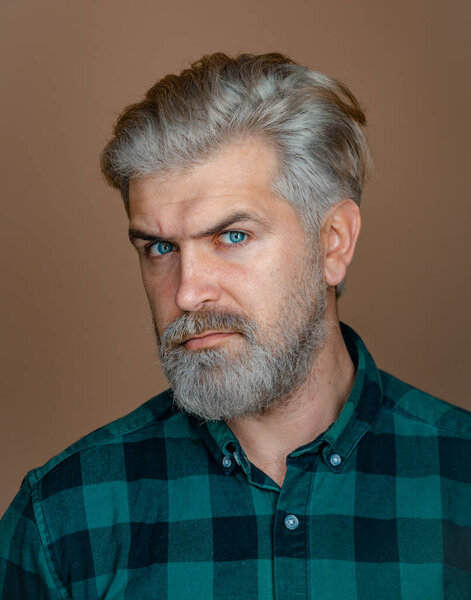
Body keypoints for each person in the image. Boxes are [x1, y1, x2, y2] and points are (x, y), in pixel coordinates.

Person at [1, 52, 470, 599]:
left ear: (333, 242)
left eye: (233, 236)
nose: (185, 291)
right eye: (159, 247)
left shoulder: (460, 480)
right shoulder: (64, 518)